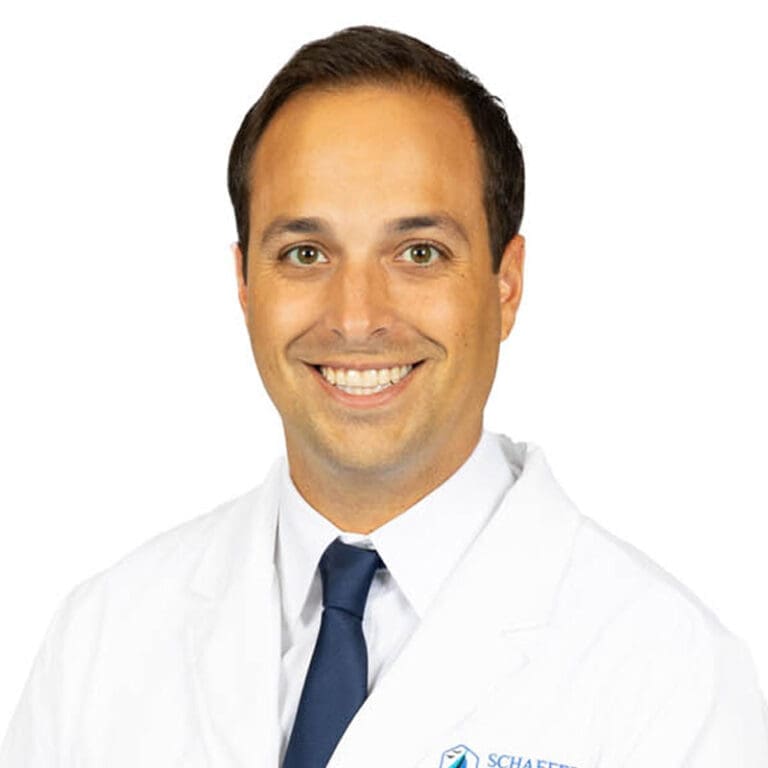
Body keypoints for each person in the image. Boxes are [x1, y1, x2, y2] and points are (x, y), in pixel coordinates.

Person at [2, 24, 767, 768]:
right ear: (244, 284)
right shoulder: (100, 645)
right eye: (305, 253)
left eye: (419, 253)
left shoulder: (672, 680)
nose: (357, 317)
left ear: (507, 283)